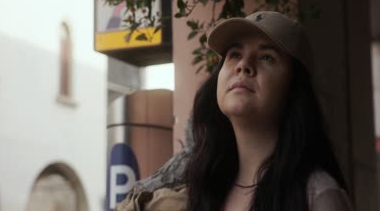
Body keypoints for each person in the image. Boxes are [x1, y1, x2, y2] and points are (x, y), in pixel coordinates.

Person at [116, 11, 353, 211]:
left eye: (267, 57)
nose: (243, 65)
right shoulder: (193, 189)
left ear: (294, 88)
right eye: (235, 55)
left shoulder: (318, 195)